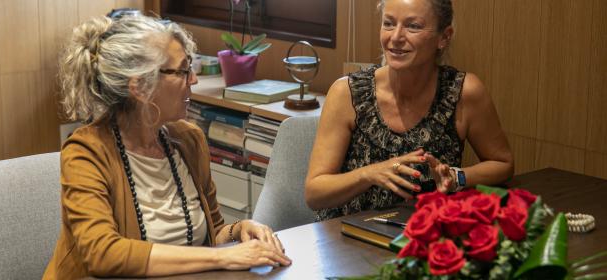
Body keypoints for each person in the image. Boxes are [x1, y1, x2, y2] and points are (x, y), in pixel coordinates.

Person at [43, 14, 290, 279]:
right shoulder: (86, 153)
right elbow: (102, 254)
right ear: (139, 86)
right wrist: (224, 256)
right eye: (183, 70)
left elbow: (212, 232)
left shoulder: (189, 140)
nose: (193, 79)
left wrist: (240, 229)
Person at [305, 0, 514, 221]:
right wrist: (369, 174)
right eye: (388, 23)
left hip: (424, 236)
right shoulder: (346, 92)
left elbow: (503, 164)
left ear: (444, 37)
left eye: (412, 26)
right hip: (345, 238)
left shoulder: (464, 92)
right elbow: (315, 194)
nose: (395, 37)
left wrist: (457, 177)